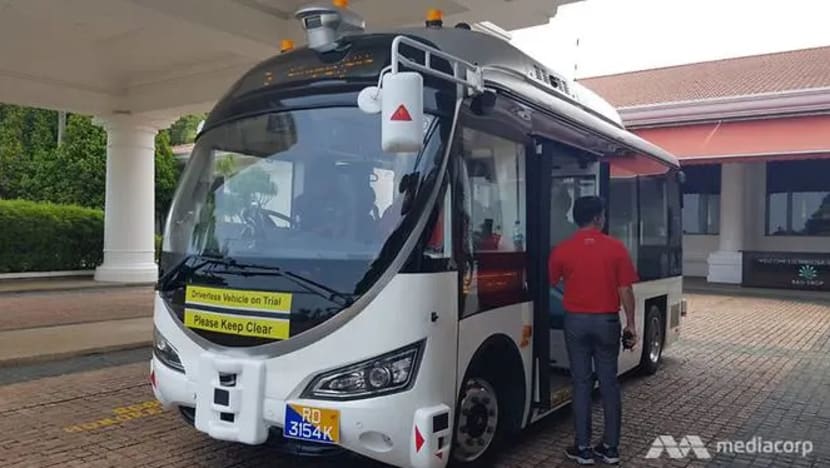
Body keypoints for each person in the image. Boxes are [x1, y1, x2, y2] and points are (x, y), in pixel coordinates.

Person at [548, 196, 638, 466]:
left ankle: (583, 448)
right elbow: (625, 290)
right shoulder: (616, 248)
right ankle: (610, 448)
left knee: (581, 383)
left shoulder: (562, 250)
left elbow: (552, 282)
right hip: (607, 322)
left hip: (575, 322)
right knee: (609, 384)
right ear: (599, 217)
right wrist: (632, 324)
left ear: (576, 219)